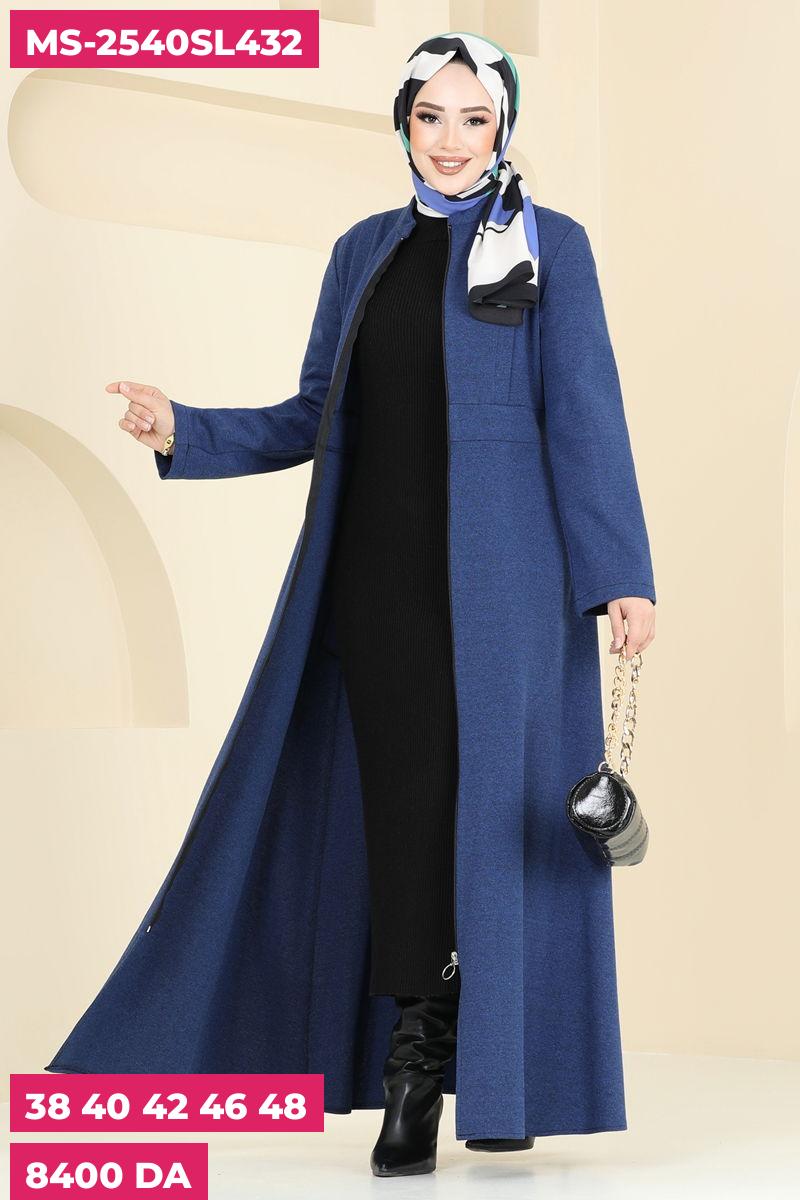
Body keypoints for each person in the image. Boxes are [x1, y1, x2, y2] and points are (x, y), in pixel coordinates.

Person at [56, 31, 656, 1179]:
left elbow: (583, 413)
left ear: (503, 127)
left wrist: (618, 571)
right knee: (405, 815)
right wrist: (186, 429)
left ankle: (466, 1069)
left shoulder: (551, 246)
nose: (450, 140)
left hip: (509, 590)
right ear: (402, 124)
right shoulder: (360, 253)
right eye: (429, 116)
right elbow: (313, 413)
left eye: (473, 118)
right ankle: (412, 1059)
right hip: (377, 584)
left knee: (496, 824)